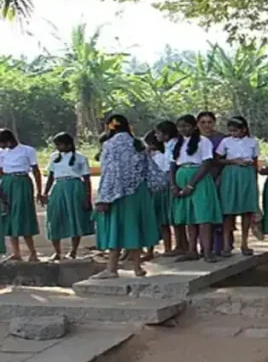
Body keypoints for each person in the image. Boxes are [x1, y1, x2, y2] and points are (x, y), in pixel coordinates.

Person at [91, 115, 162, 279]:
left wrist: (103, 197)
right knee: (134, 227)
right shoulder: (138, 144)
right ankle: (137, 267)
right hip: (139, 192)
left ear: (109, 127)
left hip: (118, 192)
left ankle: (111, 268)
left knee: (115, 229)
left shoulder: (110, 145)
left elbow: (109, 172)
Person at [168, 114, 222, 262]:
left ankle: (207, 251)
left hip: (199, 178)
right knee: (189, 216)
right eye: (180, 127)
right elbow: (172, 164)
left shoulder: (203, 141)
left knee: (203, 217)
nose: (182, 129)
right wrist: (172, 184)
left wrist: (191, 184)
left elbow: (206, 163)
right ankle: (192, 250)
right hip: (181, 175)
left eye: (186, 126)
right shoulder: (176, 143)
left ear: (193, 126)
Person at [41, 132, 93, 261]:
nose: (58, 147)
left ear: (69, 145)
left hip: (75, 187)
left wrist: (87, 197)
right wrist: (45, 193)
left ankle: (73, 251)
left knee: (75, 218)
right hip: (59, 187)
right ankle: (57, 251)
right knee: (54, 218)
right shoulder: (54, 157)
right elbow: (51, 176)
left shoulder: (80, 158)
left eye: (60, 145)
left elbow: (87, 179)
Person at [216, 116, 260, 257]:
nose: (233, 133)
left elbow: (255, 161)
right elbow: (218, 159)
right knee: (229, 210)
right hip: (231, 174)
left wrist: (254, 180)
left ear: (244, 129)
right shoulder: (226, 141)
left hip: (247, 174)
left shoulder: (252, 142)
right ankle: (226, 244)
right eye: (231, 131)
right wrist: (233, 161)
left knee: (247, 210)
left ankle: (244, 243)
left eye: (235, 130)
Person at [0, 128, 42, 261]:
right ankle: (16, 252)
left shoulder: (27, 150)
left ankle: (33, 252)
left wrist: (39, 191)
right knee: (9, 216)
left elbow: (36, 170)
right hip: (7, 182)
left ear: (7, 140)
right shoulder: (2, 153)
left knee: (23, 215)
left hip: (22, 182)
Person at [197, 111, 228, 255]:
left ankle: (221, 246)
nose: (206, 125)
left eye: (209, 122)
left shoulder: (222, 139)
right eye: (203, 122)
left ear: (214, 123)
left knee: (220, 213)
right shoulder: (194, 139)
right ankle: (204, 246)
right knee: (203, 214)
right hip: (199, 179)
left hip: (219, 177)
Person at [144, 130, 173, 258]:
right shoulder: (148, 157)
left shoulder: (160, 157)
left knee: (163, 222)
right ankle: (150, 250)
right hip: (151, 191)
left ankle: (167, 248)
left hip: (160, 192)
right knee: (152, 223)